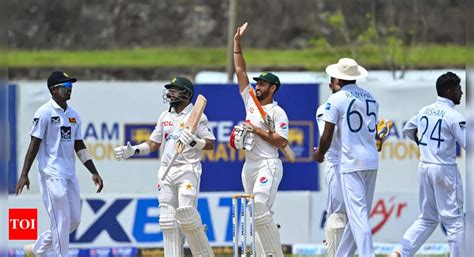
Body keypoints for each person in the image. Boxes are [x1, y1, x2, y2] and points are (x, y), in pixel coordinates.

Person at [114, 76, 216, 257]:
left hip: (187, 170)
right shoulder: (165, 116)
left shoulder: (198, 116)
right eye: (170, 90)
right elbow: (153, 144)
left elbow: (210, 143)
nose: (170, 93)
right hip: (166, 172)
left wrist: (194, 142)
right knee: (168, 222)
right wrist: (134, 150)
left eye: (175, 90)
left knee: (186, 214)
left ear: (186, 94)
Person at [16, 70, 104, 257]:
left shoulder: (74, 115)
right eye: (65, 87)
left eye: (70, 86)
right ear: (53, 90)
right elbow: (34, 144)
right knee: (62, 220)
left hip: (69, 173)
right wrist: (24, 174)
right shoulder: (44, 112)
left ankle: (37, 249)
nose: (69, 90)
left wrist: (93, 171)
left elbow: (79, 145)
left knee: (73, 220)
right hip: (51, 173)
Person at [390, 72, 466, 257]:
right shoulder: (454, 116)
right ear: (449, 91)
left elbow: (409, 129)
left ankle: (401, 252)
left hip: (425, 167)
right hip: (445, 169)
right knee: (455, 222)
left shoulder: (424, 110)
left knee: (427, 218)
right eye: (458, 89)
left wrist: (424, 146)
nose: (461, 93)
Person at [233, 22, 288, 257]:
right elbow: (240, 72)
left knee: (259, 210)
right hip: (250, 165)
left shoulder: (277, 112)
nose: (257, 86)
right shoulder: (250, 101)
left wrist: (256, 131)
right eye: (257, 83)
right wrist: (237, 42)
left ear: (273, 88)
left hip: (268, 164)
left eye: (262, 84)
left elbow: (282, 143)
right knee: (253, 216)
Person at [314, 58, 378, 257]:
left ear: (338, 79)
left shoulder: (336, 99)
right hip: (371, 161)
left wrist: (319, 153)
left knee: (358, 219)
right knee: (359, 216)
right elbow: (370, 134)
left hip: (350, 162)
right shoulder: (371, 98)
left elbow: (327, 135)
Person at [316, 77, 346, 257]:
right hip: (336, 164)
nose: (341, 87)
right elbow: (328, 140)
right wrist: (320, 152)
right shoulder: (325, 108)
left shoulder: (354, 105)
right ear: (331, 86)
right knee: (337, 216)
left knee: (354, 219)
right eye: (338, 83)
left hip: (355, 165)